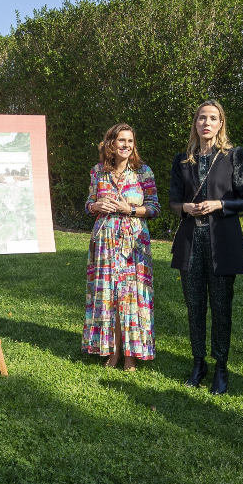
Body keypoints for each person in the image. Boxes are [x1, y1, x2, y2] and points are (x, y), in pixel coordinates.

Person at [169, 99, 243, 394]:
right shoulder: (183, 159)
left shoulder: (234, 156)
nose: (206, 123)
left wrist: (220, 203)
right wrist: (187, 208)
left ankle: (221, 366)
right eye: (201, 118)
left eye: (213, 118)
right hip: (191, 241)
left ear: (221, 124)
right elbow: (173, 201)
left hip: (222, 243)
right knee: (194, 306)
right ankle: (198, 362)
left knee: (220, 308)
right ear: (195, 123)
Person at [82, 123, 160, 371]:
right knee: (110, 297)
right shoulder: (98, 172)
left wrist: (132, 210)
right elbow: (88, 204)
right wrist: (95, 206)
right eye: (121, 140)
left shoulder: (143, 172)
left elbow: (155, 208)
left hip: (134, 243)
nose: (126, 145)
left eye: (130, 141)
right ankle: (113, 351)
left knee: (132, 297)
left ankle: (131, 355)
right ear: (111, 144)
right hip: (104, 242)